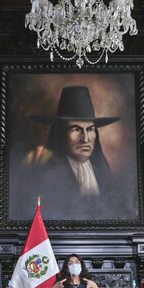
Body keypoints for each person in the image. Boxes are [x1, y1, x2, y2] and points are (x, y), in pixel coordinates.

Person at [25, 86, 122, 219]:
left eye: (90, 129)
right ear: (61, 134)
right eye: (76, 130)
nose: (85, 139)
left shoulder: (102, 172)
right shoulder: (47, 174)